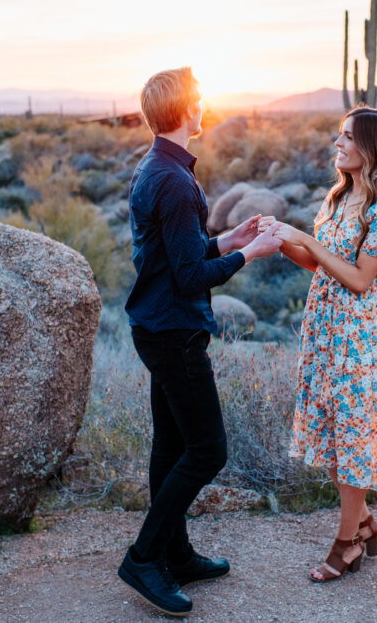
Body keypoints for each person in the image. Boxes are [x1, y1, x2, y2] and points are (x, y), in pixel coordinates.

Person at [118, 67, 282, 616]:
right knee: (208, 450)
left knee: (170, 446)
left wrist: (226, 239)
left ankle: (176, 552)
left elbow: (177, 257)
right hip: (174, 333)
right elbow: (189, 278)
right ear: (185, 110)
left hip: (157, 325)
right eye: (198, 98)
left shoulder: (159, 167)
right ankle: (144, 558)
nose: (204, 104)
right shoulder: (172, 178)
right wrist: (248, 255)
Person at [260, 106, 377, 582]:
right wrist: (279, 242)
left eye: (348, 137)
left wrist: (305, 236)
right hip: (323, 329)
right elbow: (323, 265)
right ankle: (366, 523)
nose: (338, 143)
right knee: (333, 436)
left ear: (371, 147)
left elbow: (358, 278)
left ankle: (346, 542)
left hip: (355, 334)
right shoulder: (339, 196)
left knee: (352, 436)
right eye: (339, 135)